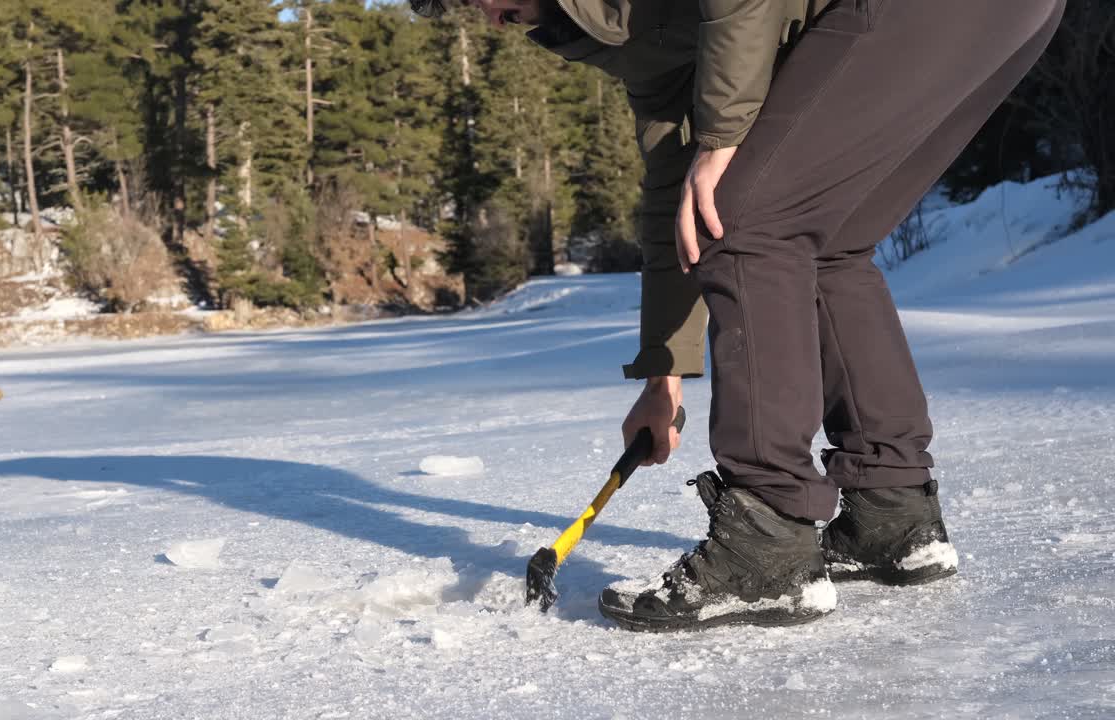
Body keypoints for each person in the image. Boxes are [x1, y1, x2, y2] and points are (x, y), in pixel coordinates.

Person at [410, 0, 1065, 631]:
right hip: (1002, 15)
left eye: (477, 0)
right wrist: (663, 377)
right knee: (828, 241)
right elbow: (675, 183)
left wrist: (723, 130)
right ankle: (891, 515)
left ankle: (767, 539)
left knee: (743, 222)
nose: (489, 20)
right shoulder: (609, 30)